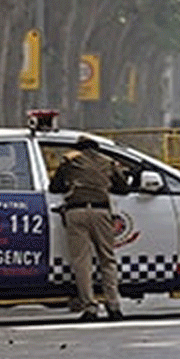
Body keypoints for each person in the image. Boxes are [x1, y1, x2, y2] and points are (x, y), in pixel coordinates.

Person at [49, 136, 132, 321]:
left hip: (76, 211)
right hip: (101, 212)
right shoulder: (107, 162)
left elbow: (54, 187)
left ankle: (90, 307)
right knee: (107, 259)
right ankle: (114, 306)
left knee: (82, 262)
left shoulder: (69, 160)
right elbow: (123, 188)